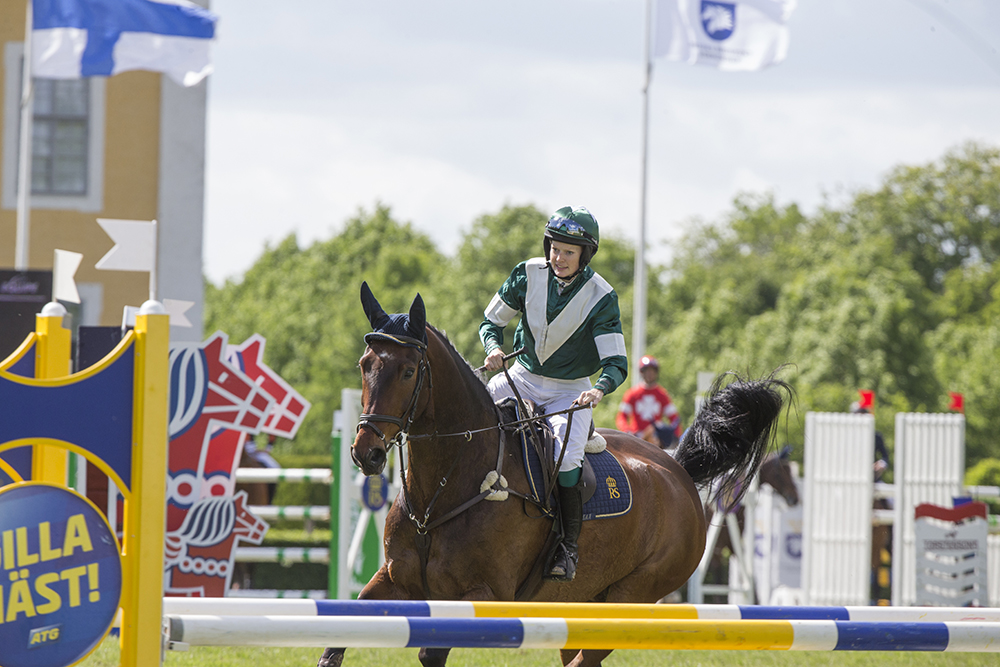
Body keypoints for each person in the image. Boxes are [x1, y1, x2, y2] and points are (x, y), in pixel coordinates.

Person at [480, 205, 627, 582]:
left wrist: (599, 389)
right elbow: (491, 321)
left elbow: (615, 362)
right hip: (521, 377)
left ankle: (567, 545)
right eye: (554, 248)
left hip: (570, 392)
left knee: (565, 459)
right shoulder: (526, 273)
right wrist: (492, 348)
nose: (557, 258)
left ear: (584, 255)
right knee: (471, 422)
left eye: (568, 252)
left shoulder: (602, 296)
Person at [616, 356, 682, 449]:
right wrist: (628, 432)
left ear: (656, 372)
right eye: (646, 371)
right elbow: (621, 417)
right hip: (636, 438)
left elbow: (674, 418)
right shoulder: (632, 394)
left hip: (657, 439)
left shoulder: (662, 394)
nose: (650, 374)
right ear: (642, 372)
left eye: (652, 371)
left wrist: (675, 437)